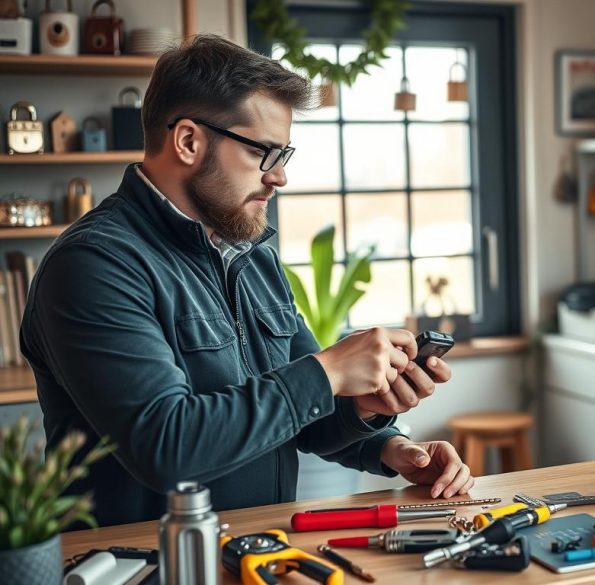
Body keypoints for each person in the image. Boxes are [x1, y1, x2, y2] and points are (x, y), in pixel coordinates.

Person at [21, 34, 474, 528]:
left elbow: (304, 420)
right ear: (189, 141)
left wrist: (386, 441)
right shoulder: (94, 265)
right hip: (145, 568)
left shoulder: (252, 256)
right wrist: (327, 373)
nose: (279, 177)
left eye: (285, 155)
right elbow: (166, 447)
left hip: (259, 551)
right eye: (264, 152)